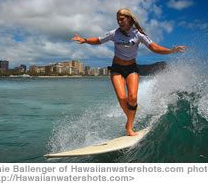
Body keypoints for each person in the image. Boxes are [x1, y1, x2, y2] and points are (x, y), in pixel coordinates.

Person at [72, 8, 186, 136]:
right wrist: (85, 40)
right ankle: (131, 117)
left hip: (131, 69)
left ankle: (129, 127)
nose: (119, 22)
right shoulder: (114, 33)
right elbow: (98, 40)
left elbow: (154, 48)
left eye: (122, 19)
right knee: (122, 98)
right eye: (118, 19)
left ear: (129, 19)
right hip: (117, 69)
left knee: (132, 97)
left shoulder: (139, 35)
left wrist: (171, 51)